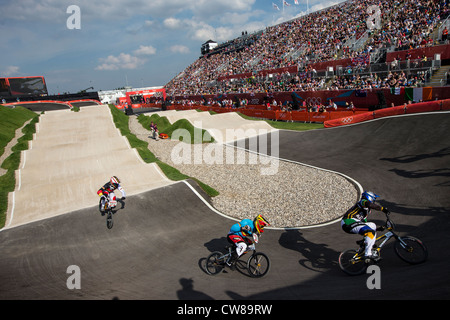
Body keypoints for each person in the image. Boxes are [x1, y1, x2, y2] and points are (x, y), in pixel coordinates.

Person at [341, 191, 390, 261]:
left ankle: (364, 242)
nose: (374, 201)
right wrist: (382, 209)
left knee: (372, 226)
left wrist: (378, 229)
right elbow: (369, 204)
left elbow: (365, 226)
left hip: (354, 223)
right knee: (370, 233)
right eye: (374, 199)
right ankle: (368, 254)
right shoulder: (363, 201)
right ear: (369, 197)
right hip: (348, 222)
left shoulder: (365, 213)